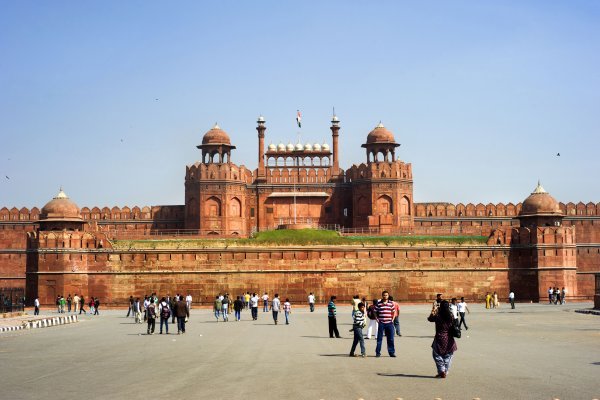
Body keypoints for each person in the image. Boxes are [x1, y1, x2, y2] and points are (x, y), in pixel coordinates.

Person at [428, 300, 458, 378]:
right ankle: (444, 371)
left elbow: (430, 319)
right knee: (448, 355)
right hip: (449, 338)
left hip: (439, 337)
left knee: (437, 354)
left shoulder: (438, 316)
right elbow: (455, 324)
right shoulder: (451, 315)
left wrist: (433, 310)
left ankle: (442, 370)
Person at [375, 290, 396, 358]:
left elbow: (394, 311)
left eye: (386, 295)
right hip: (381, 323)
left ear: (388, 296)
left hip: (389, 323)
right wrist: (377, 319)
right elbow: (375, 311)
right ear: (382, 296)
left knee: (390, 339)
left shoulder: (391, 303)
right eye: (384, 295)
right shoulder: (379, 303)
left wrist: (392, 319)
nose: (385, 296)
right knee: (379, 339)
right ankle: (378, 353)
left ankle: (391, 352)